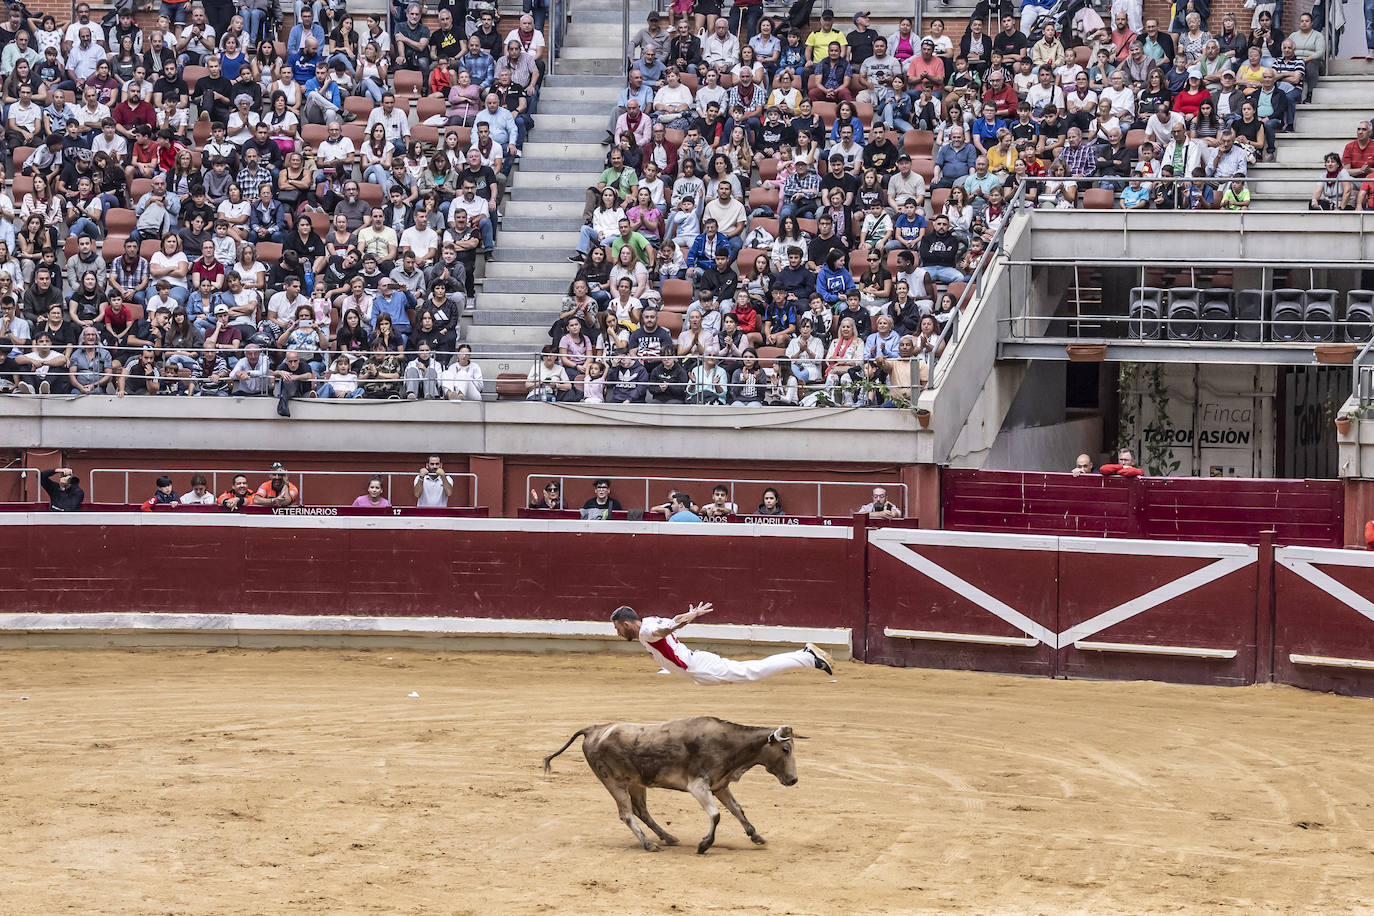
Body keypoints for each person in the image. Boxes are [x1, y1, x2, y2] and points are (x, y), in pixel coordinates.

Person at [610, 603, 835, 683]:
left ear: (627, 624)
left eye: (617, 628)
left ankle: (807, 657)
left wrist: (681, 623)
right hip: (695, 669)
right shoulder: (649, 621)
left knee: (752, 672)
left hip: (699, 668)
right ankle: (805, 656)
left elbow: (665, 628)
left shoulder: (648, 630)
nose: (618, 632)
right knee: (750, 672)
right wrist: (691, 615)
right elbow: (672, 621)